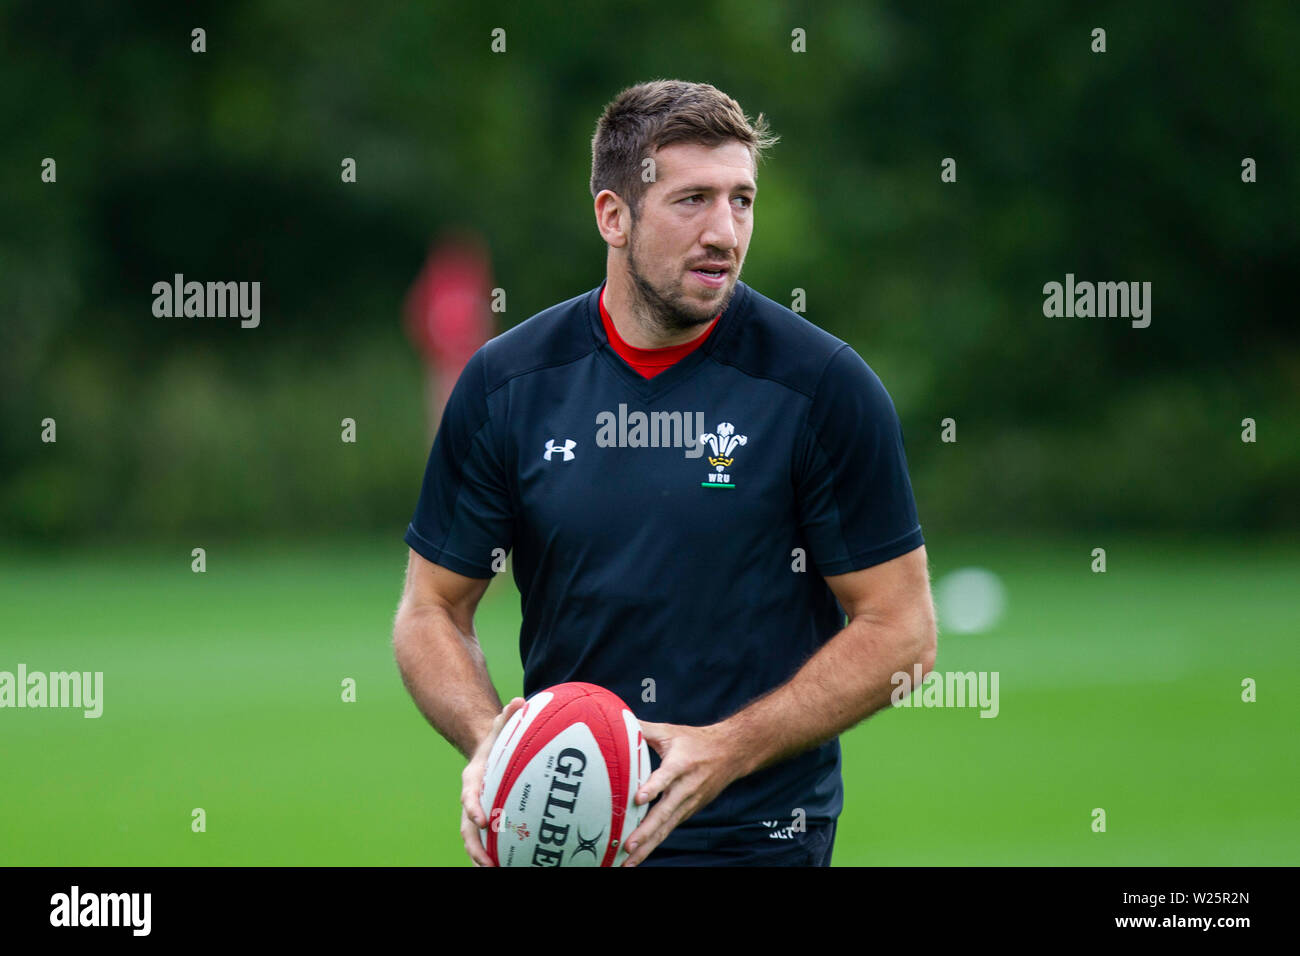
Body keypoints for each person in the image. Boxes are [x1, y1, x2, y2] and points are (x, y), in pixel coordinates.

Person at [392, 79, 936, 867]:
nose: (725, 230)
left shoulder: (821, 389)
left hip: (757, 841)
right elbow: (430, 610)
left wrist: (729, 748)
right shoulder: (507, 385)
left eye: (742, 200)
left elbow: (903, 632)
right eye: (693, 201)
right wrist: (495, 746)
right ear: (614, 215)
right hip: (563, 840)